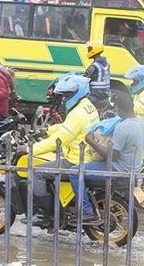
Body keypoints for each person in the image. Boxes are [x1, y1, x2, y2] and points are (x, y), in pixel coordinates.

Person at [30, 74, 100, 226]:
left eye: (66, 96)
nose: (63, 100)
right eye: (62, 96)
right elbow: (70, 128)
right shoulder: (87, 106)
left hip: (75, 160)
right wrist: (48, 130)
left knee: (36, 172)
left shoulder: (77, 113)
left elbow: (58, 141)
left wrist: (30, 149)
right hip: (86, 155)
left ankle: (46, 215)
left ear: (77, 92)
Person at [75, 93, 144, 223]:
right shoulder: (141, 121)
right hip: (135, 167)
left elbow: (111, 156)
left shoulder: (123, 128)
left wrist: (90, 140)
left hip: (117, 169)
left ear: (119, 109)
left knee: (75, 172)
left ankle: (86, 210)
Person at [83, 43, 111, 109]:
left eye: (89, 50)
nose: (88, 51)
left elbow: (84, 78)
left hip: (95, 94)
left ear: (94, 51)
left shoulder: (94, 66)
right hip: (105, 92)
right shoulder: (107, 63)